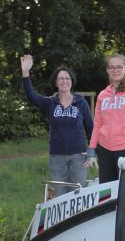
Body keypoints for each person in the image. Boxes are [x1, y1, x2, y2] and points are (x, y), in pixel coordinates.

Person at [20, 54, 94, 189]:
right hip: (57, 158)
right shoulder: (50, 103)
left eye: (67, 78)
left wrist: (92, 152)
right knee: (60, 197)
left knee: (78, 194)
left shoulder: (81, 103)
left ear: (71, 81)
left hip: (79, 158)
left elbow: (91, 129)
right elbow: (31, 96)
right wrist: (25, 73)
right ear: (56, 82)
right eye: (61, 78)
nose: (64, 81)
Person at [89, 54, 125, 182]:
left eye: (119, 67)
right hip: (104, 150)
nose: (115, 70)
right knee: (107, 193)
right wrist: (92, 149)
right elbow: (97, 124)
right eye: (112, 67)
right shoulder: (102, 95)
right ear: (107, 70)